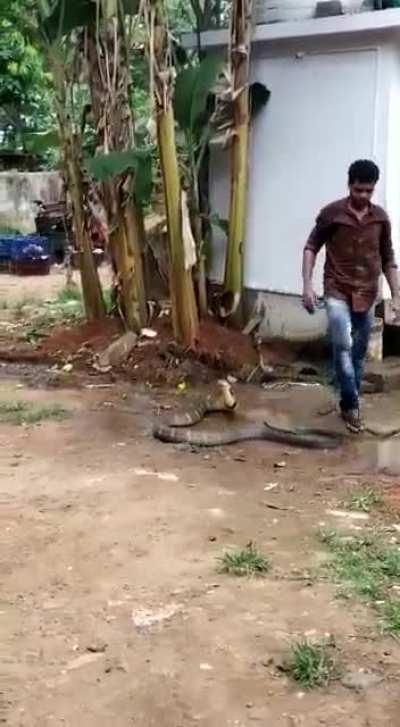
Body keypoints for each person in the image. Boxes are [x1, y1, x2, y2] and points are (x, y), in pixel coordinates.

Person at [302, 159, 400, 433]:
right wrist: (307, 285)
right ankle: (353, 404)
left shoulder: (380, 219)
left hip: (367, 293)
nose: (363, 196)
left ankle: (347, 402)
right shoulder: (332, 214)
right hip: (337, 290)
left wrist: (396, 297)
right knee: (343, 343)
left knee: (358, 355)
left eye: (368, 191)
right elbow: (311, 247)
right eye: (358, 190)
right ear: (349, 185)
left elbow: (389, 259)